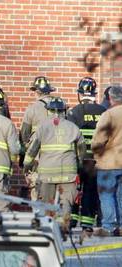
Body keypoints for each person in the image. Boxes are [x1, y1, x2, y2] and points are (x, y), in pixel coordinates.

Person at [23, 97, 85, 231]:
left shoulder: (42, 128)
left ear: (48, 111)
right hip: (68, 173)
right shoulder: (73, 127)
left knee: (47, 202)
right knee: (66, 202)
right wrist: (79, 165)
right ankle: (63, 228)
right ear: (64, 111)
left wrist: (26, 165)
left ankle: (48, 228)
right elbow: (81, 150)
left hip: (47, 173)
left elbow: (32, 150)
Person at [67, 77, 106, 236]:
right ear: (94, 93)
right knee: (90, 191)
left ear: (79, 93)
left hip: (77, 159)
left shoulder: (73, 112)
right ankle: (87, 225)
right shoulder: (103, 111)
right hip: (96, 160)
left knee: (74, 190)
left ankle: (70, 221)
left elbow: (69, 139)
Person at [91, 86, 122, 237]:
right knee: (121, 195)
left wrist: (96, 156)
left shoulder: (108, 115)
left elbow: (98, 140)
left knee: (107, 195)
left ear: (110, 98)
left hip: (108, 163)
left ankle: (109, 226)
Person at [20, 76, 55, 201]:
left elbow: (24, 133)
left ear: (36, 91)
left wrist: (26, 148)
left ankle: (37, 213)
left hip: (38, 154)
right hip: (57, 153)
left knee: (36, 184)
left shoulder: (32, 109)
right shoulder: (61, 107)